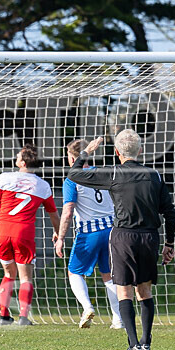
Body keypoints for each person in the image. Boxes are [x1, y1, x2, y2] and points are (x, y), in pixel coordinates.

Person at [67, 130, 175, 350]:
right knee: (144, 291)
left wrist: (87, 151)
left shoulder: (114, 173)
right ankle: (146, 343)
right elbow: (170, 211)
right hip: (149, 237)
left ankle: (133, 344)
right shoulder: (154, 175)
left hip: (123, 237)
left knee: (124, 290)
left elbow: (74, 174)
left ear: (117, 152)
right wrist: (169, 243)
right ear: (140, 151)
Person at [0, 144, 60, 326]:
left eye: (18, 156)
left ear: (23, 163)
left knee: (9, 274)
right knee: (25, 277)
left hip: (1, 231)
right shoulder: (42, 185)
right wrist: (58, 232)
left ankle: (4, 316)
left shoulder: (4, 178)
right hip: (23, 233)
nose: (15, 158)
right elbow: (53, 213)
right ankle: (23, 317)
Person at [54, 139, 122, 329]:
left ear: (72, 157)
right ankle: (118, 320)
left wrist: (60, 238)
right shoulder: (104, 174)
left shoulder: (72, 179)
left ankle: (87, 307)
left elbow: (68, 210)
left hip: (89, 232)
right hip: (111, 229)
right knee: (109, 276)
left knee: (74, 271)